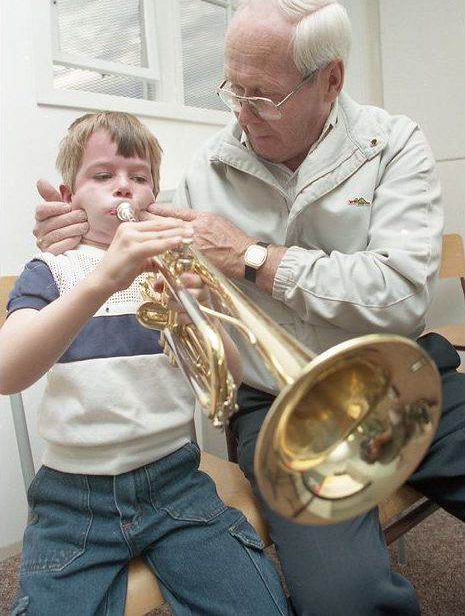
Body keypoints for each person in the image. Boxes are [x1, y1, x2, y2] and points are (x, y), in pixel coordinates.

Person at [31, 0, 465, 616]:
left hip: (399, 372)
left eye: (261, 95)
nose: (240, 110)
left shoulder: (392, 144)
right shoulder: (203, 171)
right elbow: (123, 219)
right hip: (280, 405)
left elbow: (397, 294)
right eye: (232, 87)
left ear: (331, 81)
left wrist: (255, 258)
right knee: (343, 599)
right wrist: (66, 230)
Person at [0, 112, 291, 616]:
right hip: (73, 499)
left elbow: (231, 375)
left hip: (176, 480)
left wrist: (196, 316)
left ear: (153, 195)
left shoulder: (174, 268)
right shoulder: (52, 269)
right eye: (103, 175)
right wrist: (101, 281)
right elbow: (8, 371)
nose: (123, 190)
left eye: (139, 178)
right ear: (70, 197)